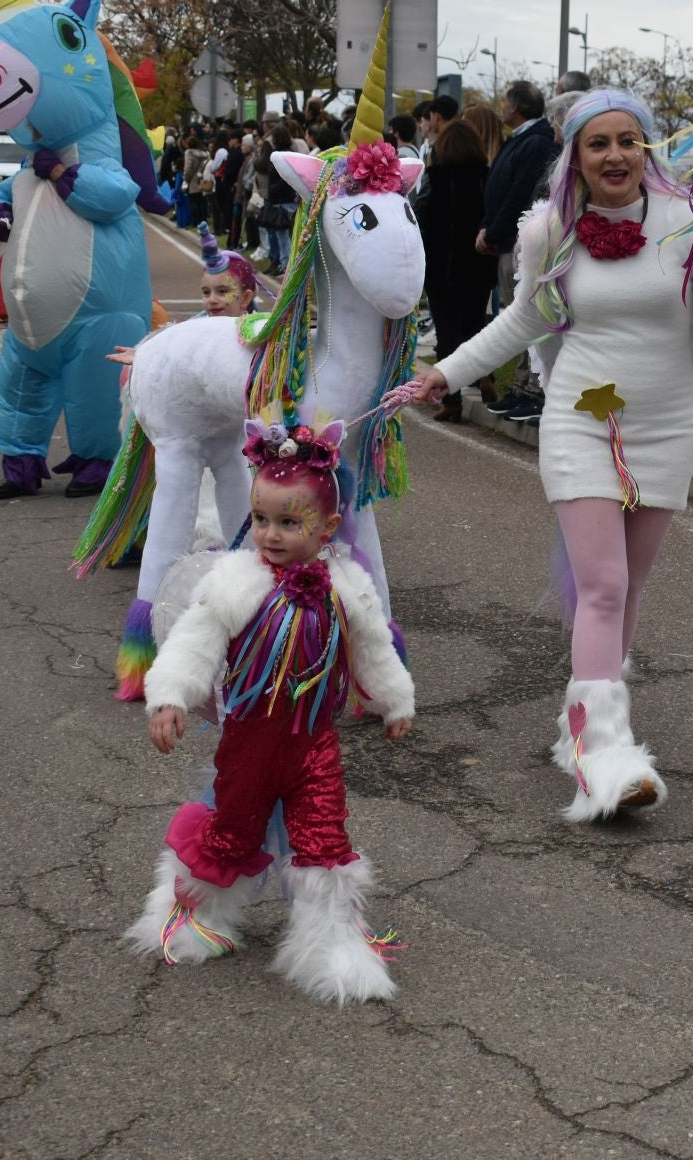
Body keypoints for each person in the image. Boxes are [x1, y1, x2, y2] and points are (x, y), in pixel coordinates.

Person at [413, 89, 693, 822]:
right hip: (581, 425)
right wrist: (446, 372)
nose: (615, 155)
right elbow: (522, 319)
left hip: (664, 430)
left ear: (647, 148)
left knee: (628, 587)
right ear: (575, 156)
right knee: (602, 584)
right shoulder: (550, 231)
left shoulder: (689, 221)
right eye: (598, 143)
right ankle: (601, 752)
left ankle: (588, 718)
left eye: (628, 140)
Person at [126, 420, 414, 1002]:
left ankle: (332, 948)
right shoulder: (237, 581)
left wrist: (393, 700)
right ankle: (190, 916)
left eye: (289, 522)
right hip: (249, 745)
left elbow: (373, 648)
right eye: (260, 519)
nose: (270, 534)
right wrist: (170, 695)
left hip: (313, 748)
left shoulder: (347, 584)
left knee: (326, 842)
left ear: (328, 526)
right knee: (230, 831)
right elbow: (194, 641)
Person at [476, 82, 560, 424]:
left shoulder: (536, 142)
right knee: (516, 317)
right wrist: (488, 226)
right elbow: (499, 188)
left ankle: (533, 391)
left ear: (516, 105)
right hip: (508, 242)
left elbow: (520, 194)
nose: (501, 105)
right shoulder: (522, 139)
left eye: (505, 99)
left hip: (520, 243)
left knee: (526, 316)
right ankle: (522, 386)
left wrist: (494, 230)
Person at [416, 119, 497, 422]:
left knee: (448, 333)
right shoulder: (486, 176)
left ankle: (451, 401)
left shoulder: (436, 177)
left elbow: (421, 215)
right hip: (479, 263)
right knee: (476, 326)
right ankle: (485, 374)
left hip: (443, 265)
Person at [107, 229, 262, 367]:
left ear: (245, 298)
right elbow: (171, 347)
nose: (212, 300)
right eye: (206, 292)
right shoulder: (193, 330)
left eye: (222, 291)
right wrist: (147, 354)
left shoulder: (259, 337)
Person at [256, 123, 299, 273]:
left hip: (281, 199)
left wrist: (272, 190)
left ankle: (285, 264)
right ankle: (284, 263)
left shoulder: (280, 155)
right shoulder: (290, 153)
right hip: (286, 198)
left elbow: (283, 177)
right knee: (285, 234)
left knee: (282, 235)